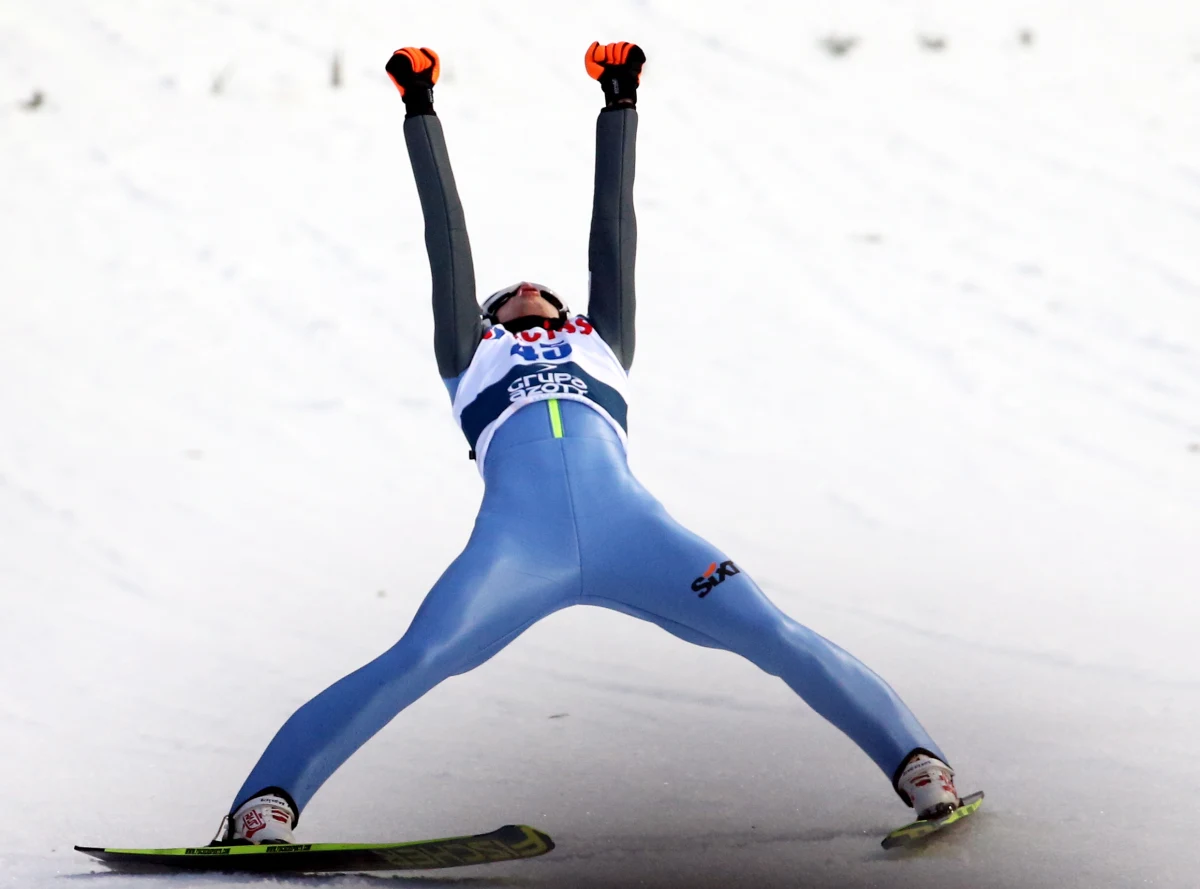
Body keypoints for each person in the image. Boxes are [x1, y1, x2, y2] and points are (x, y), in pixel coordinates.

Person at [212, 41, 962, 846]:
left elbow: (616, 224)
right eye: (511, 291)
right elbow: (446, 234)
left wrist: (620, 104)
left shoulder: (603, 345)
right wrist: (421, 110)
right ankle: (266, 805)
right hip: (516, 551)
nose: (530, 287)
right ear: (492, 313)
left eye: (545, 289)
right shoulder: (469, 355)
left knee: (773, 633)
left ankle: (919, 764)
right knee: (418, 657)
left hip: (638, 537)